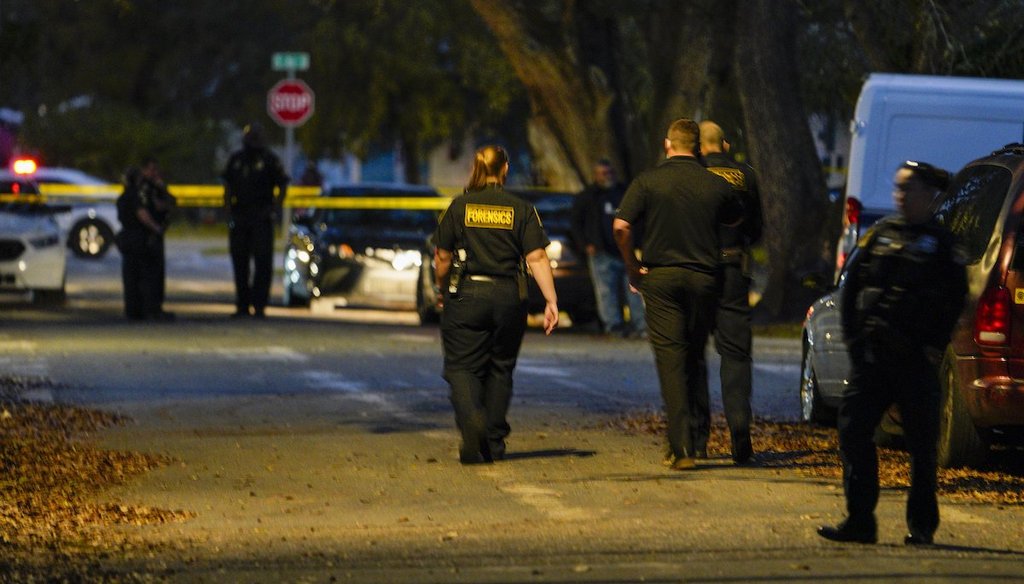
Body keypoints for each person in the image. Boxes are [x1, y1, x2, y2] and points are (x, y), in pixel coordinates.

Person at [818, 160, 966, 546]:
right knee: (852, 430)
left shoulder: (942, 244)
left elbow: (955, 299)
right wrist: (854, 340)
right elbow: (851, 290)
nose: (900, 196)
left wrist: (935, 346)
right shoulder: (882, 235)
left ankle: (921, 527)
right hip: (874, 357)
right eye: (897, 188)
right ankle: (860, 520)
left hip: (915, 359)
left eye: (908, 189)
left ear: (927, 195)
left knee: (921, 445)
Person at [613, 118, 740, 470]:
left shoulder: (648, 182)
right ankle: (700, 439)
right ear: (698, 148)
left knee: (671, 359)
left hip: (662, 278)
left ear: (668, 145)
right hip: (703, 278)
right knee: (695, 355)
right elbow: (734, 219)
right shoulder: (714, 184)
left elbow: (621, 227)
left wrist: (631, 265)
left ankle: (681, 445)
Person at [434, 144, 559, 465]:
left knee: (462, 367)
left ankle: (472, 422)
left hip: (466, 295)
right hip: (508, 298)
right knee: (500, 368)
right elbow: (537, 257)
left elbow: (443, 256)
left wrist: (441, 289)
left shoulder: (459, 206)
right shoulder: (521, 208)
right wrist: (551, 300)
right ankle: (492, 439)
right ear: (504, 170)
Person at [698, 120, 763, 464]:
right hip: (734, 270)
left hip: (696, 271)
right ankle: (740, 431)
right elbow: (757, 227)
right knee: (736, 355)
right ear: (724, 146)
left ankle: (696, 438)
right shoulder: (745, 175)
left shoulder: (691, 173)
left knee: (693, 353)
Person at [571, 159, 647, 337]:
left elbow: (639, 219)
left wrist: (638, 243)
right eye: (603, 174)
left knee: (634, 291)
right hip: (601, 253)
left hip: (626, 251)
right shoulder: (587, 197)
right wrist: (585, 244)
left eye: (610, 173)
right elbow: (576, 223)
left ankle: (640, 326)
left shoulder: (624, 192)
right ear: (596, 176)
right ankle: (614, 327)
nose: (608, 177)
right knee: (606, 293)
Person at [221, 122, 290, 318]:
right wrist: (227, 210)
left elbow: (283, 184)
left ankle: (259, 305)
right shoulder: (236, 160)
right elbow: (227, 186)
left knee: (263, 263)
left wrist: (275, 208)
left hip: (261, 216)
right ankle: (242, 305)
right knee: (240, 263)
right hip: (240, 216)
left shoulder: (269, 159)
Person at [116, 158, 177, 321]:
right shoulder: (138, 193)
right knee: (146, 276)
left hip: (133, 238)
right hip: (141, 237)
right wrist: (156, 228)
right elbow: (143, 212)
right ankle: (148, 309)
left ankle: (135, 310)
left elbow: (168, 203)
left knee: (133, 276)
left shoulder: (129, 194)